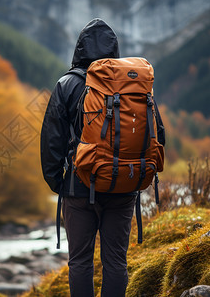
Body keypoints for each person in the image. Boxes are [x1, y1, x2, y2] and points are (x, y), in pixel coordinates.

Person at [40, 18, 137, 297]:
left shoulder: (67, 85)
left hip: (78, 187)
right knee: (116, 261)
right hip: (123, 185)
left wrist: (57, 182)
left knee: (80, 262)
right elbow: (153, 134)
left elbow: (52, 140)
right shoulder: (132, 82)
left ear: (79, 48)